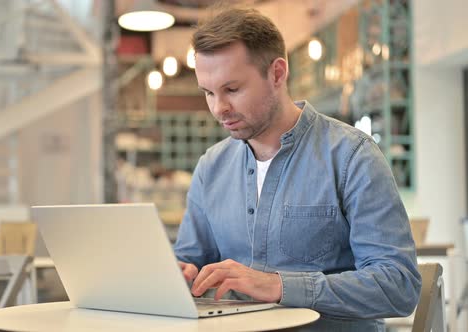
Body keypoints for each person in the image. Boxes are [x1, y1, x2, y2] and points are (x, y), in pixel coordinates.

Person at [173, 7, 421, 331]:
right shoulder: (211, 167)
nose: (219, 108)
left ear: (277, 74)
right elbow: (190, 263)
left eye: (232, 89)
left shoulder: (352, 157)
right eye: (208, 92)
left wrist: (279, 286)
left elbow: (398, 287)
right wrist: (178, 275)